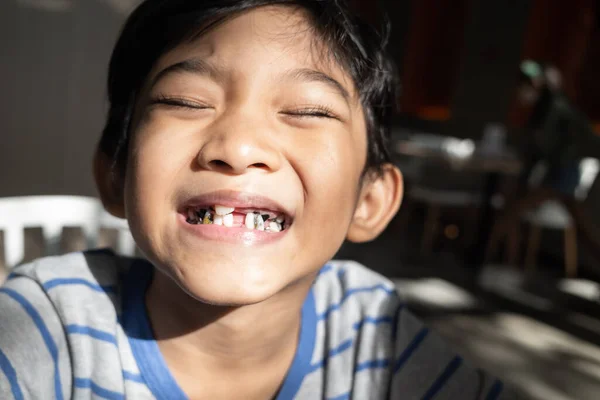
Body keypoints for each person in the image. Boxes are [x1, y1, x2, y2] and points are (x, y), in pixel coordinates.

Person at [0, 1, 514, 398]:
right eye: (186, 101)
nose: (239, 147)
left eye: (308, 110)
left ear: (370, 199)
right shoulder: (50, 323)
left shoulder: (371, 331)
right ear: (114, 174)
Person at [516, 60, 596, 197]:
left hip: (564, 162)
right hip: (558, 161)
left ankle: (505, 219)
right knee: (564, 201)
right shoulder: (547, 105)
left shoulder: (555, 106)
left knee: (531, 200)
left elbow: (547, 139)